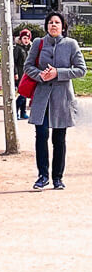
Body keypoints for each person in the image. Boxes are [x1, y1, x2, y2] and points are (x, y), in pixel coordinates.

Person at [23, 11, 86, 190]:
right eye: (50, 22)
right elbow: (28, 67)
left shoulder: (71, 44)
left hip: (62, 97)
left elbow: (81, 70)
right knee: (41, 135)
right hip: (42, 97)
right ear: (46, 26)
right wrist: (41, 76)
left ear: (63, 26)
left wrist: (58, 72)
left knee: (59, 139)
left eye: (57, 22)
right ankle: (42, 176)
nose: (53, 25)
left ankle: (58, 177)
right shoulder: (38, 43)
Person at [12, 29, 31, 119]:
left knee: (25, 94)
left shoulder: (28, 49)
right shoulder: (18, 48)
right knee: (22, 94)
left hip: (26, 74)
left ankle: (23, 112)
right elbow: (14, 62)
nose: (26, 40)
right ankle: (15, 110)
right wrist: (15, 73)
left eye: (27, 38)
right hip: (19, 73)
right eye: (24, 38)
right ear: (21, 39)